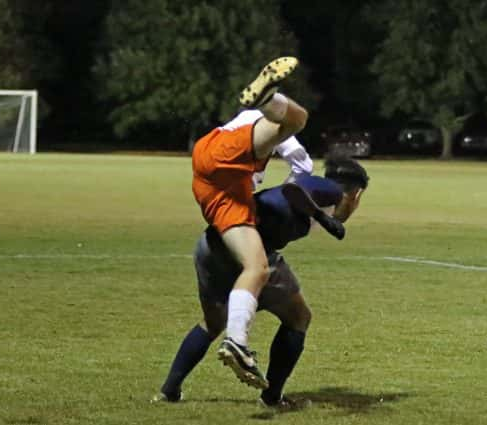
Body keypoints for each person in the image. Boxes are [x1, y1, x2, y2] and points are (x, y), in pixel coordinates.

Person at [157, 157, 369, 407]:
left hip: (213, 243)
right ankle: (271, 397)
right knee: (298, 317)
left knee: (214, 322)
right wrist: (323, 219)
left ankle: (168, 391)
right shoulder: (330, 190)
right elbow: (294, 190)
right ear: (356, 194)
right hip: (248, 249)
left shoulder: (322, 193)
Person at [191, 56, 309, 388]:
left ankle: (237, 342)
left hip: (212, 178)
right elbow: (304, 166)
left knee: (255, 266)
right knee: (298, 120)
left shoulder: (243, 126)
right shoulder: (258, 132)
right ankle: (269, 97)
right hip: (230, 161)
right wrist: (287, 198)